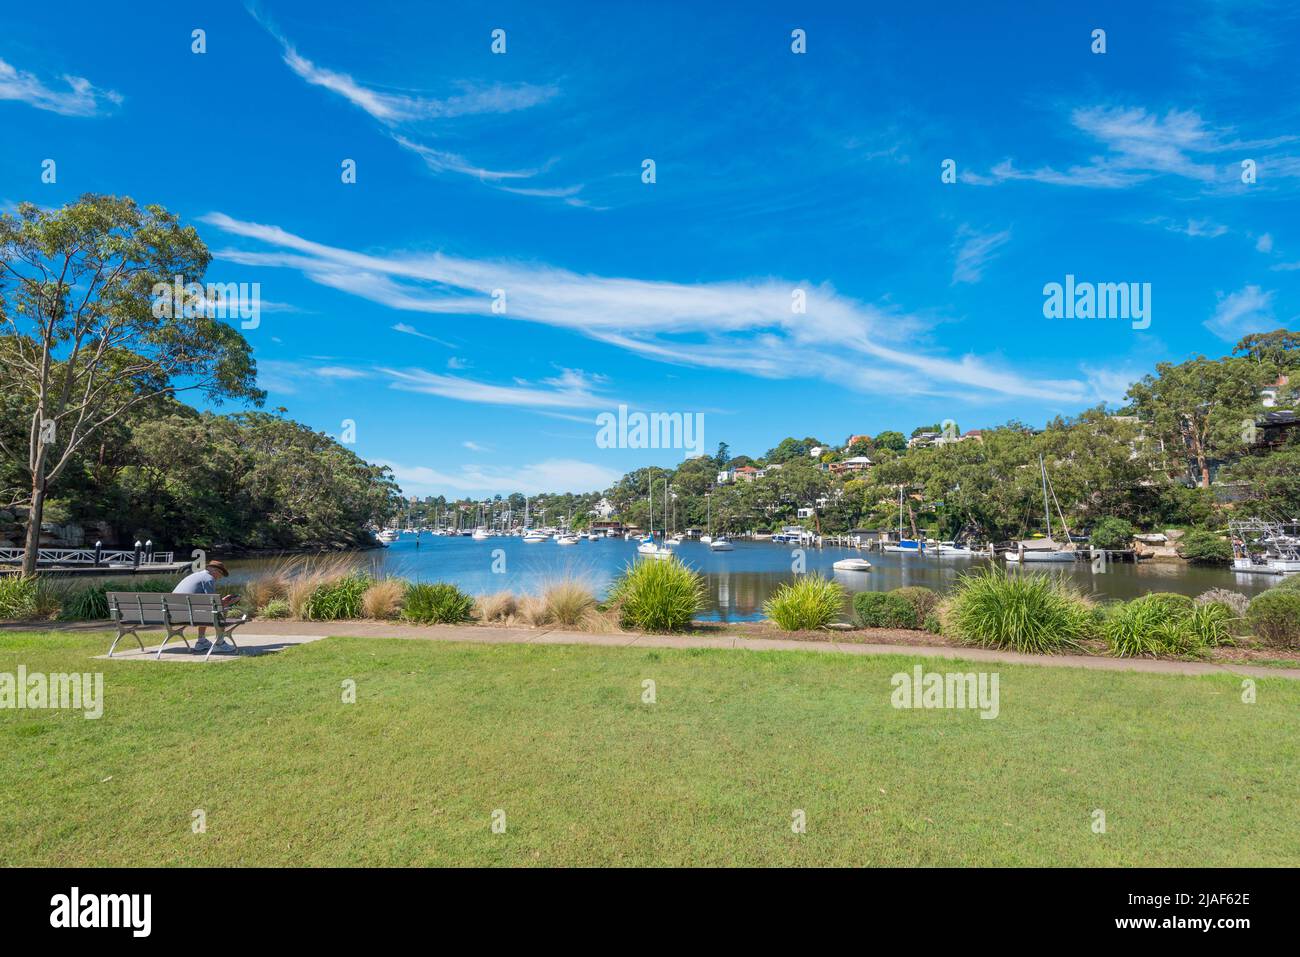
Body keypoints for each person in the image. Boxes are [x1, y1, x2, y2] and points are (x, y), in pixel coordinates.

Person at [172, 560, 239, 654]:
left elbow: (208, 601)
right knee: (221, 610)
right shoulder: (208, 578)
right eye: (221, 574)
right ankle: (219, 643)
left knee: (204, 609)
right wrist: (229, 602)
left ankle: (202, 641)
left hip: (171, 615)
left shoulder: (194, 576)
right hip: (190, 615)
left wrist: (222, 601)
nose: (219, 578)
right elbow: (213, 604)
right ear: (215, 570)